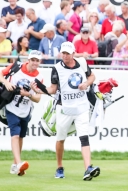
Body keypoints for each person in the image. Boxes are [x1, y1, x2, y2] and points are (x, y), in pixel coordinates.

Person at [31, 41, 100, 181]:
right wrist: (39, 90)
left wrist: (86, 83)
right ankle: (59, 167)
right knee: (61, 139)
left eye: (68, 53)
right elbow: (53, 89)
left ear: (73, 54)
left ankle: (88, 168)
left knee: (84, 137)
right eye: (63, 53)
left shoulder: (81, 62)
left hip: (82, 107)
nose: (65, 56)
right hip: (64, 108)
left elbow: (92, 76)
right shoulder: (56, 68)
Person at [0, 50, 43, 176]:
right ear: (28, 59)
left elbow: (38, 98)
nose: (34, 63)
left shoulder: (39, 78)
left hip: (26, 110)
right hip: (11, 107)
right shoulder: (16, 67)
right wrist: (6, 83)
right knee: (15, 135)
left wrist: (28, 94)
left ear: (40, 62)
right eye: (32, 60)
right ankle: (18, 163)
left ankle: (15, 165)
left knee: (21, 136)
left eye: (37, 60)